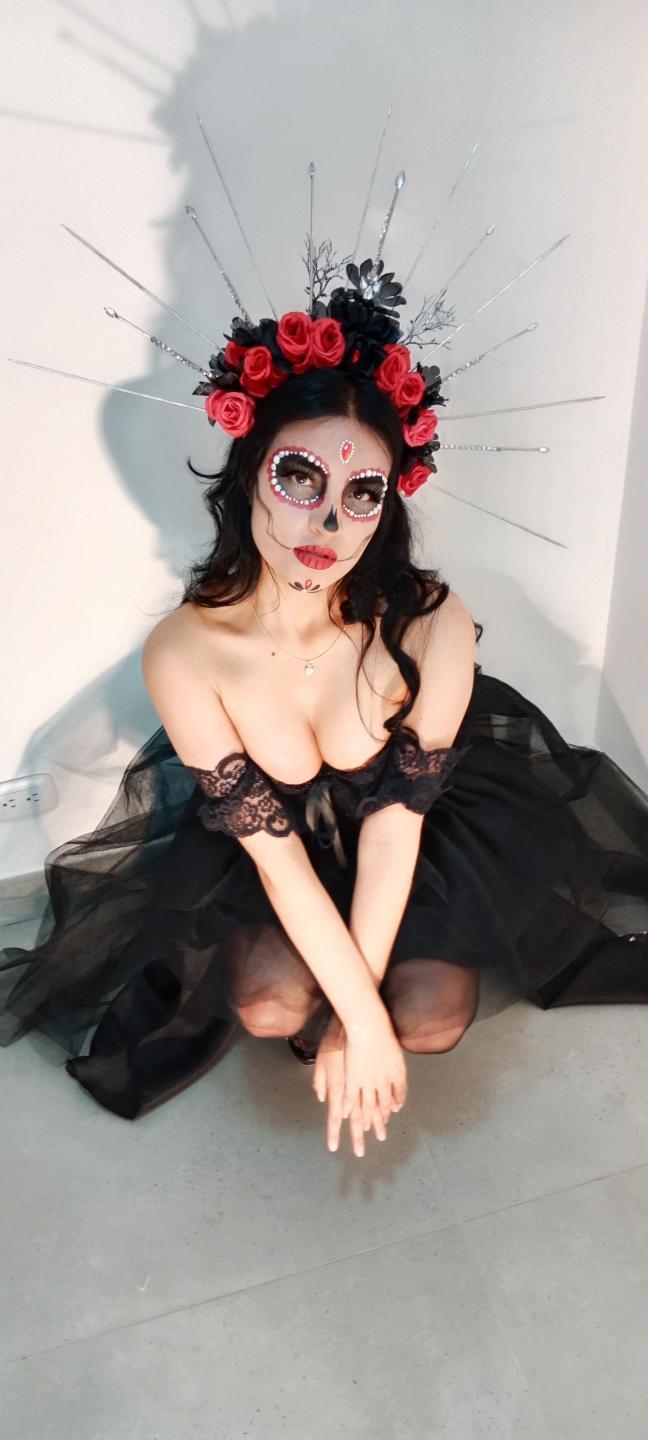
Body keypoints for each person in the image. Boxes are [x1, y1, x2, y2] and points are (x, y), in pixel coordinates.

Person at [2, 276, 647, 1157]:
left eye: (363, 492)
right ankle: (328, 994)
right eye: (300, 477)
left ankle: (358, 988)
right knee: (271, 1004)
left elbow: (394, 829)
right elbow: (277, 861)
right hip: (275, 857)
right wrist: (356, 1018)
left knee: (429, 1022)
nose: (328, 523)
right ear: (249, 473)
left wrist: (357, 1021)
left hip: (416, 841)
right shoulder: (185, 652)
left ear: (389, 502)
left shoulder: (430, 622)